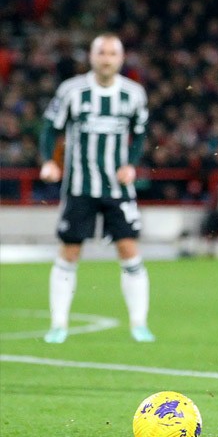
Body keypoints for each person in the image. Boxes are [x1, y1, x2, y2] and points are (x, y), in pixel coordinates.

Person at [38, 33, 154, 344]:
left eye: (112, 53)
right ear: (92, 57)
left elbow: (140, 132)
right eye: (101, 52)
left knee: (129, 249)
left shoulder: (133, 94)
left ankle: (139, 324)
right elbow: (50, 127)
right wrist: (49, 160)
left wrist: (130, 163)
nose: (106, 58)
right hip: (79, 186)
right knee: (70, 251)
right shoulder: (72, 90)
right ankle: (59, 324)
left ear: (121, 58)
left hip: (117, 188)